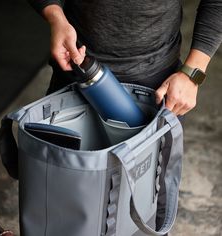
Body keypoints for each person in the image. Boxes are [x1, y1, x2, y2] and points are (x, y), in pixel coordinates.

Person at [27, 0, 222, 234]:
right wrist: (55, 15)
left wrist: (192, 73)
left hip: (155, 89)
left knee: (144, 215)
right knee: (62, 208)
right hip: (75, 69)